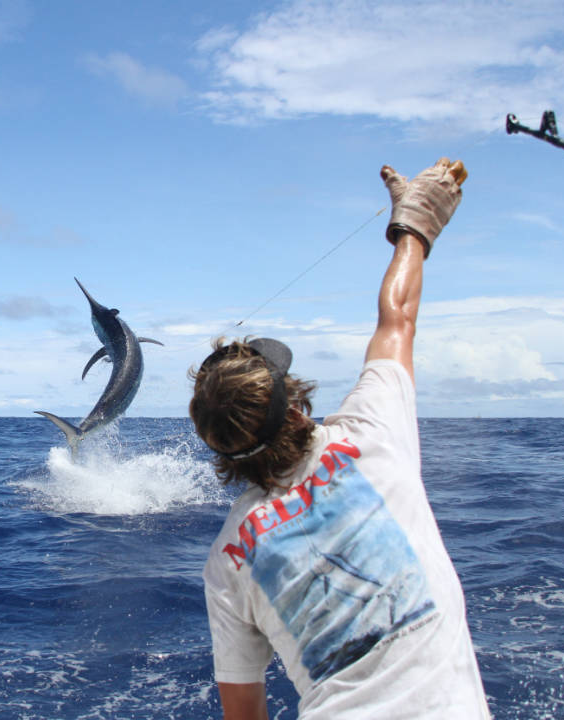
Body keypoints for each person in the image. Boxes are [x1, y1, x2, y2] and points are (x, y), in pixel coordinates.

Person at [190, 158, 491, 719]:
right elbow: (396, 319)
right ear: (299, 409)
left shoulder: (226, 562)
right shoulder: (373, 432)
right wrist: (415, 228)